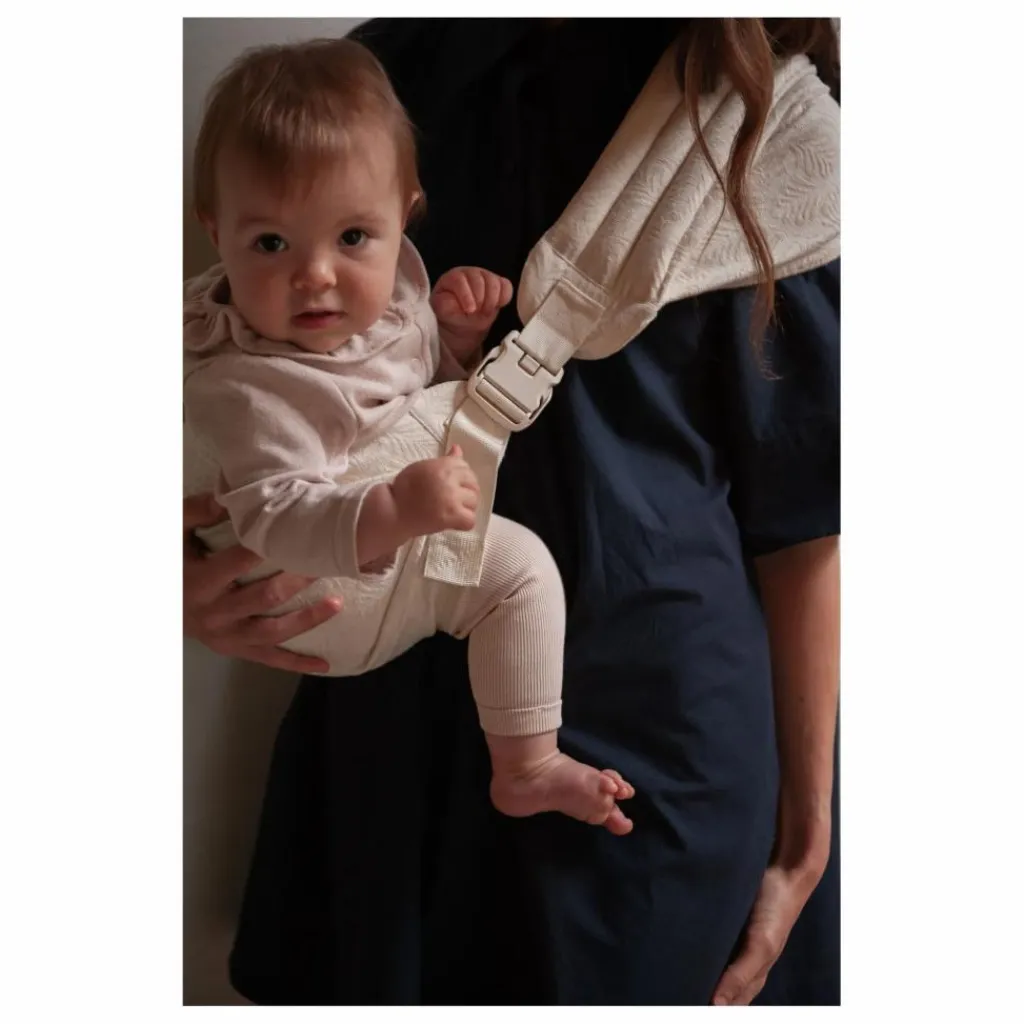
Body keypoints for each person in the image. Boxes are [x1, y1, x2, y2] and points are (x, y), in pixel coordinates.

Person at [183, 17, 840, 1005]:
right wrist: (187, 583)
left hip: (648, 743)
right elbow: (245, 390)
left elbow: (802, 519)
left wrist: (808, 828)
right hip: (384, 707)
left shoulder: (765, 113)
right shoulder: (374, 74)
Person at [183, 37, 634, 832]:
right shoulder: (252, 390)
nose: (315, 274)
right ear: (216, 234)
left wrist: (455, 341)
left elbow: (412, 403)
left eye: (353, 237)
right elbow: (276, 517)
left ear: (406, 214)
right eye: (271, 243)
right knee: (512, 564)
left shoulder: (393, 302)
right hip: (314, 595)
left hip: (391, 549)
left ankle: (527, 764)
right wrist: (394, 509)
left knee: (525, 573)